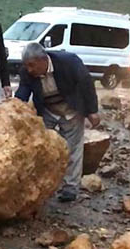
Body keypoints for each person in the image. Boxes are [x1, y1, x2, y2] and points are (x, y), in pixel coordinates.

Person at [14, 43, 101, 203]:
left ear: (43, 60)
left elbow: (86, 83)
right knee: (40, 146)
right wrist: (13, 109)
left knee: (72, 148)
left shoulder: (69, 62)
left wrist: (92, 111)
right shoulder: (27, 72)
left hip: (71, 109)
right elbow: (22, 93)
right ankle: (40, 185)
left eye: (32, 65)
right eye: (26, 66)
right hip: (47, 110)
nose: (29, 70)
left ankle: (70, 188)